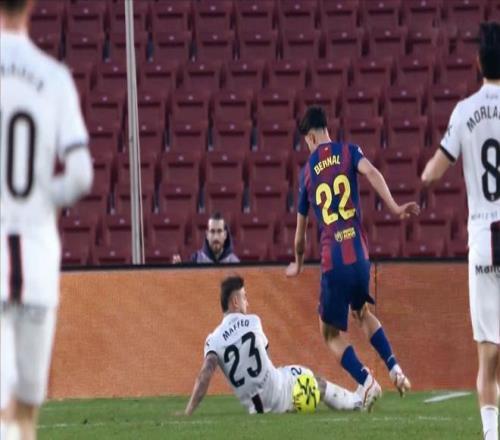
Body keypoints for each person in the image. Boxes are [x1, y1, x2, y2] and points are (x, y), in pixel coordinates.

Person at [0, 0, 94, 438]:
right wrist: (41, 201)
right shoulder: (54, 77)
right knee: (25, 417)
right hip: (37, 264)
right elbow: (80, 175)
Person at [286, 106, 420, 408]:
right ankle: (395, 370)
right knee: (362, 313)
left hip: (332, 258)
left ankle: (366, 381)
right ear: (326, 129)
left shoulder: (307, 172)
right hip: (359, 255)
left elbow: (300, 235)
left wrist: (297, 263)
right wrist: (395, 207)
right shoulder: (349, 151)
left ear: (310, 137)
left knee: (329, 332)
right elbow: (372, 172)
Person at [421, 22, 500, 440]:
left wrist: (425, 175)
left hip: (485, 236)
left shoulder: (465, 111)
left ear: (478, 62)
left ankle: (491, 436)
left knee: (488, 353)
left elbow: (433, 171)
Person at [182, 275, 365, 416]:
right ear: (235, 302)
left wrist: (188, 411)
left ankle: (300, 403)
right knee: (312, 380)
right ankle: (357, 402)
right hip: (278, 391)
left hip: (256, 409)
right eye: (245, 297)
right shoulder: (253, 321)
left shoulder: (213, 340)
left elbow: (205, 375)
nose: (247, 302)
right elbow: (265, 357)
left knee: (295, 377)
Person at [172, 212, 239, 264]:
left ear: (225, 235)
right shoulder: (196, 259)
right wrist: (178, 270)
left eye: (219, 231)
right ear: (207, 234)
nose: (216, 236)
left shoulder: (234, 262)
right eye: (212, 231)